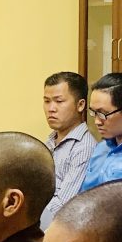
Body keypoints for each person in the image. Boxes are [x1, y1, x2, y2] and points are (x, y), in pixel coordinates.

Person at [39, 71, 96, 230]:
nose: (51, 109)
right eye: (47, 101)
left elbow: (62, 206)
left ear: (80, 105)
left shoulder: (84, 147)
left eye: (59, 101)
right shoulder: (50, 141)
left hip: (54, 230)